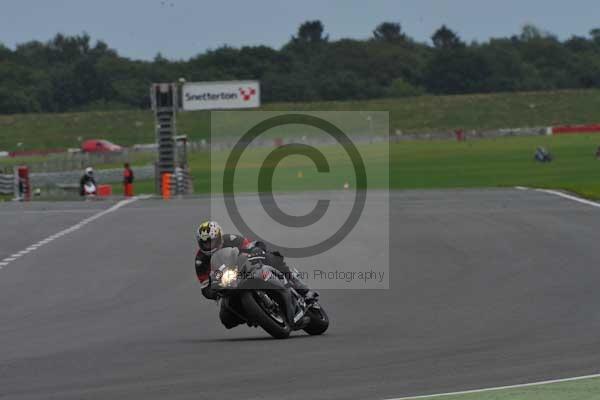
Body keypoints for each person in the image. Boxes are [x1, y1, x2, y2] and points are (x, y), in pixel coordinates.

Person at [194, 221, 317, 303]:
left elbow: (250, 245)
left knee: (272, 258)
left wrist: (256, 251)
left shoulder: (231, 239)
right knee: (226, 319)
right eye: (205, 243)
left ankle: (302, 288)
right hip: (228, 285)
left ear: (219, 237)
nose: (208, 245)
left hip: (245, 270)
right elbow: (205, 286)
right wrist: (214, 292)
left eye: (211, 241)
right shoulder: (200, 261)